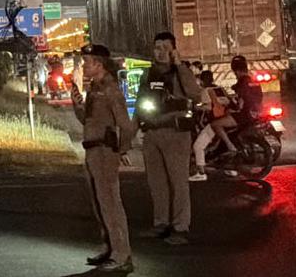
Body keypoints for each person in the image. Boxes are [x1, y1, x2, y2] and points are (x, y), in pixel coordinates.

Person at [133, 31, 202, 246]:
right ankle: (161, 223)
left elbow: (195, 94)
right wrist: (131, 133)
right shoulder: (148, 74)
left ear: (173, 51)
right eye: (157, 48)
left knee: (178, 182)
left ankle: (180, 227)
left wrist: (179, 65)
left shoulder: (180, 72)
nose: (160, 52)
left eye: (165, 48)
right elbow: (139, 104)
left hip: (175, 134)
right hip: (152, 133)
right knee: (156, 183)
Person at [72, 44, 134, 273]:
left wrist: (122, 150)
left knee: (110, 204)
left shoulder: (110, 90)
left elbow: (125, 125)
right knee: (99, 204)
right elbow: (88, 121)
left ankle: (121, 254)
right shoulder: (94, 88)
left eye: (87, 62)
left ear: (99, 64)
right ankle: (109, 247)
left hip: (105, 152)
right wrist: (77, 105)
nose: (84, 66)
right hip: (92, 151)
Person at [210, 55, 263, 158]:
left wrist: (234, 108)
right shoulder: (254, 81)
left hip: (245, 115)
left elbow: (241, 102)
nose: (235, 75)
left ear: (237, 72)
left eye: (235, 73)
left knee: (215, 124)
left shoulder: (242, 83)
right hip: (256, 113)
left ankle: (230, 146)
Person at [189, 70, 229, 181]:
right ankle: (230, 168)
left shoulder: (205, 91)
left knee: (198, 146)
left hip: (214, 122)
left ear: (202, 81)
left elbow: (208, 107)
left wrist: (196, 107)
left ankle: (201, 173)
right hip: (226, 120)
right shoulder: (220, 89)